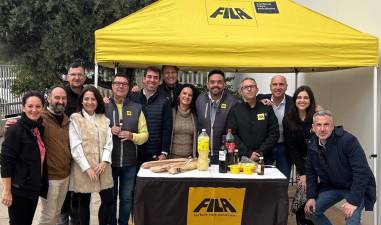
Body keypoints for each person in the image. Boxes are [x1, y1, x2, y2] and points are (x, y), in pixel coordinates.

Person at [304, 110, 376, 225]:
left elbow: (362, 172)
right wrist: (311, 196)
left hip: (355, 187)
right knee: (310, 211)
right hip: (333, 186)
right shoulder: (312, 144)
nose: (322, 129)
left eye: (326, 124)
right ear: (313, 127)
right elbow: (311, 172)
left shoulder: (348, 140)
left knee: (351, 219)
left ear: (332, 126)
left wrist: (352, 201)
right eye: (319, 125)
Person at [105, 74, 149, 225]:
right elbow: (94, 129)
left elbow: (145, 135)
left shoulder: (136, 108)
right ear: (112, 86)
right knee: (110, 198)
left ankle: (123, 222)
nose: (120, 86)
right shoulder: (103, 106)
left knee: (126, 198)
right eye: (117, 83)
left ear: (128, 88)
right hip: (108, 162)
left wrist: (131, 136)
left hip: (129, 163)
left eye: (124, 84)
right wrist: (109, 129)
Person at [1, 91, 48, 225]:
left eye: (38, 106)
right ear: (23, 107)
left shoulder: (39, 129)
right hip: (19, 190)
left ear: (42, 108)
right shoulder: (15, 130)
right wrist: (6, 191)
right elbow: (6, 162)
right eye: (30, 106)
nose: (34, 110)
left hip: (32, 189)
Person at [69, 86, 114, 225]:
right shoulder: (75, 119)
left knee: (108, 200)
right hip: (83, 168)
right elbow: (75, 146)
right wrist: (87, 168)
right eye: (86, 99)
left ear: (98, 101)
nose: (90, 102)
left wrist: (105, 161)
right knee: (84, 204)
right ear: (81, 101)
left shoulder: (103, 119)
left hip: (103, 167)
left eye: (93, 99)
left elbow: (109, 142)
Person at [37, 86, 72, 225]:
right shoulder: (40, 118)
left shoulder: (66, 119)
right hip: (49, 177)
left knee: (57, 213)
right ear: (49, 98)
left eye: (63, 98)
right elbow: (24, 127)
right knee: (48, 216)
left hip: (65, 175)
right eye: (57, 97)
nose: (61, 101)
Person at [283, 86, 316, 225]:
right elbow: (291, 147)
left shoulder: (316, 116)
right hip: (302, 163)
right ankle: (301, 221)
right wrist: (302, 173)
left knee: (314, 197)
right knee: (303, 193)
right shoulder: (288, 119)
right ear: (294, 100)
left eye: (306, 97)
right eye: (299, 97)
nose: (302, 100)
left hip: (318, 162)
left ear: (311, 100)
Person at [60, 60, 87, 225]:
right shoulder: (61, 94)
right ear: (67, 76)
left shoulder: (88, 94)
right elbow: (43, 113)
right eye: (73, 74)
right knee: (63, 193)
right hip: (63, 152)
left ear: (84, 77)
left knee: (79, 193)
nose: (76, 77)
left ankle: (76, 222)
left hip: (83, 153)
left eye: (80, 74)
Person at [227, 77, 279, 162]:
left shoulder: (267, 109)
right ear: (241, 91)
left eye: (252, 86)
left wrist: (260, 152)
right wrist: (248, 153)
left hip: (264, 158)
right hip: (241, 158)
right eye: (246, 87)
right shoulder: (235, 110)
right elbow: (232, 134)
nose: (249, 89)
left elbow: (274, 133)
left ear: (257, 89)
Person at [130, 66, 172, 164]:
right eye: (149, 76)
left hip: (155, 153)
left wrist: (164, 152)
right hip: (134, 151)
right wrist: (106, 101)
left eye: (155, 77)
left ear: (159, 81)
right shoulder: (133, 97)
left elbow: (167, 128)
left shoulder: (165, 101)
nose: (152, 80)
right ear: (144, 79)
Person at [195, 69, 238, 164]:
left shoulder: (232, 102)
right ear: (207, 84)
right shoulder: (200, 100)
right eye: (212, 82)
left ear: (224, 84)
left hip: (224, 153)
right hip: (203, 153)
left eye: (219, 82)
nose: (216, 85)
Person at [257, 75, 293, 178]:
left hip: (284, 147)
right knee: (262, 179)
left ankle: (281, 195)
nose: (278, 87)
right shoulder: (260, 99)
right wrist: (259, 103)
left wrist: (318, 109)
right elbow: (246, 103)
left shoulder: (293, 102)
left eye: (281, 84)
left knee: (283, 179)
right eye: (275, 84)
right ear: (270, 87)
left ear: (286, 87)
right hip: (265, 147)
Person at [170, 84, 198, 158]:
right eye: (184, 93)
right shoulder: (171, 112)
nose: (187, 97)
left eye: (190, 95)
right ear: (179, 95)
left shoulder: (195, 115)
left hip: (189, 158)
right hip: (171, 158)